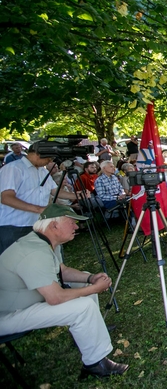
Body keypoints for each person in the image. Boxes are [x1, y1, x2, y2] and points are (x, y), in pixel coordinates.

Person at [0, 204, 129, 379]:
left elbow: (62, 271)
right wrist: (94, 288)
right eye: (72, 223)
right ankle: (96, 364)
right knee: (83, 306)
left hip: (28, 301)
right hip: (7, 315)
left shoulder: (44, 241)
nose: (77, 227)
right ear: (54, 226)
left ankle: (89, 331)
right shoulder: (33, 252)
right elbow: (55, 297)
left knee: (83, 281)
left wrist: (90, 279)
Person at [0, 141, 82, 254]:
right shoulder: (13, 168)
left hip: (36, 224)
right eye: (48, 158)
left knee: (36, 260)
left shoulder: (42, 171)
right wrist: (39, 209)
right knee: (12, 264)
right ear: (38, 154)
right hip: (14, 226)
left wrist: (76, 195)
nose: (50, 161)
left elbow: (54, 191)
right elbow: (6, 198)